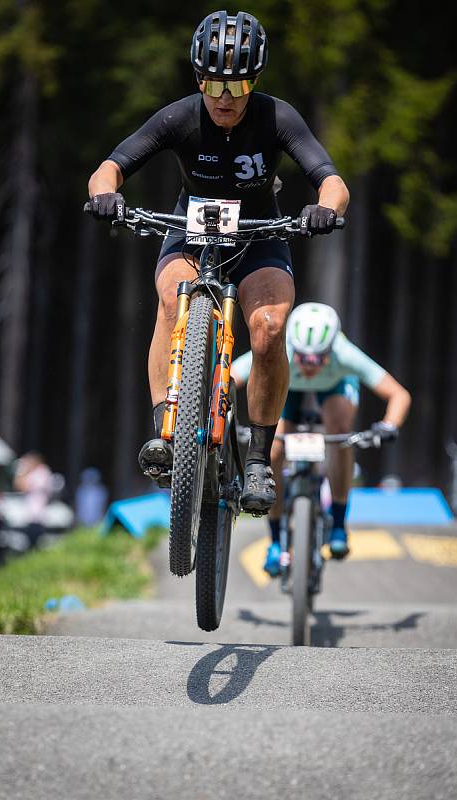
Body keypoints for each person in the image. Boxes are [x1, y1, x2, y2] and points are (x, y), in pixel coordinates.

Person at [87, 10, 349, 514]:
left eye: (238, 84)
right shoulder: (179, 116)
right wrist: (106, 195)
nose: (224, 98)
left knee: (270, 328)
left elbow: (332, 181)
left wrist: (325, 209)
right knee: (171, 301)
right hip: (191, 230)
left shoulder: (277, 117)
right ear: (197, 77)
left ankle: (257, 458)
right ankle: (167, 427)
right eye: (212, 83)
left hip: (259, 234)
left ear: (256, 81)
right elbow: (111, 167)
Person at [231, 302, 411, 572]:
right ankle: (276, 539)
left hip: (335, 387)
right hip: (288, 387)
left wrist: (388, 425)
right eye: (303, 357)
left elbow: (399, 395)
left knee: (340, 433)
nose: (309, 364)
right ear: (293, 346)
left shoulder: (344, 353)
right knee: (273, 449)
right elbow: (229, 378)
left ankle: (338, 523)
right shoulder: (284, 349)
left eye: (317, 358)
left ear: (331, 349)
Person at [13, 452, 53, 547]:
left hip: (37, 516)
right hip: (31, 515)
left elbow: (22, 486)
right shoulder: (34, 473)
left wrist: (22, 471)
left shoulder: (41, 472)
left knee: (34, 544)